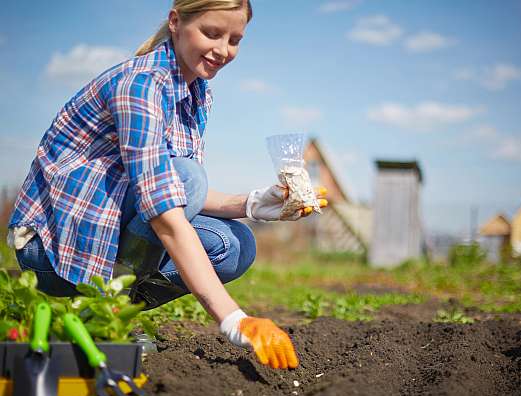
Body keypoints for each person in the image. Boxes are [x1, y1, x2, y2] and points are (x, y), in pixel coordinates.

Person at [7, 0, 328, 370]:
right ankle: (103, 308)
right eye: (212, 33)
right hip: (53, 249)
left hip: (104, 235)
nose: (223, 50)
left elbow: (170, 189)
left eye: (235, 39)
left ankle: (114, 311)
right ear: (175, 21)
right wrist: (233, 319)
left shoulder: (195, 93)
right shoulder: (140, 85)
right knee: (189, 176)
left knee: (235, 245)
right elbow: (166, 209)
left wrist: (254, 204)